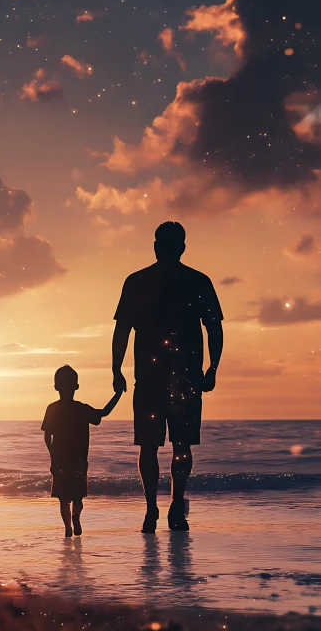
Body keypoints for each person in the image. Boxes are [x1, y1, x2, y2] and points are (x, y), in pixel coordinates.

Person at [112, 222, 223, 533]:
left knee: (154, 446)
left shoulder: (139, 281)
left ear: (159, 247)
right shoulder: (196, 281)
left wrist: (116, 369)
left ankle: (157, 509)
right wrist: (212, 367)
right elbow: (213, 329)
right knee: (178, 444)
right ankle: (170, 508)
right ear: (181, 248)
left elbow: (122, 330)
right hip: (180, 378)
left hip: (154, 379)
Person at [42, 365, 122, 537]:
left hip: (60, 461)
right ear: (76, 386)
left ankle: (67, 528)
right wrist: (118, 394)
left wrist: (53, 458)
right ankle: (76, 515)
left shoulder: (52, 408)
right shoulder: (81, 409)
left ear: (56, 386)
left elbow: (47, 437)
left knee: (63, 499)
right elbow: (104, 412)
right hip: (79, 461)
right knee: (78, 497)